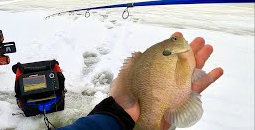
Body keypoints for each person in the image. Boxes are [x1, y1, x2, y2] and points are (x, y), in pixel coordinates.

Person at [58, 32, 224, 130]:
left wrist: (118, 116)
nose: (179, 41)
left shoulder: (173, 55)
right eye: (174, 40)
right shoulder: (178, 55)